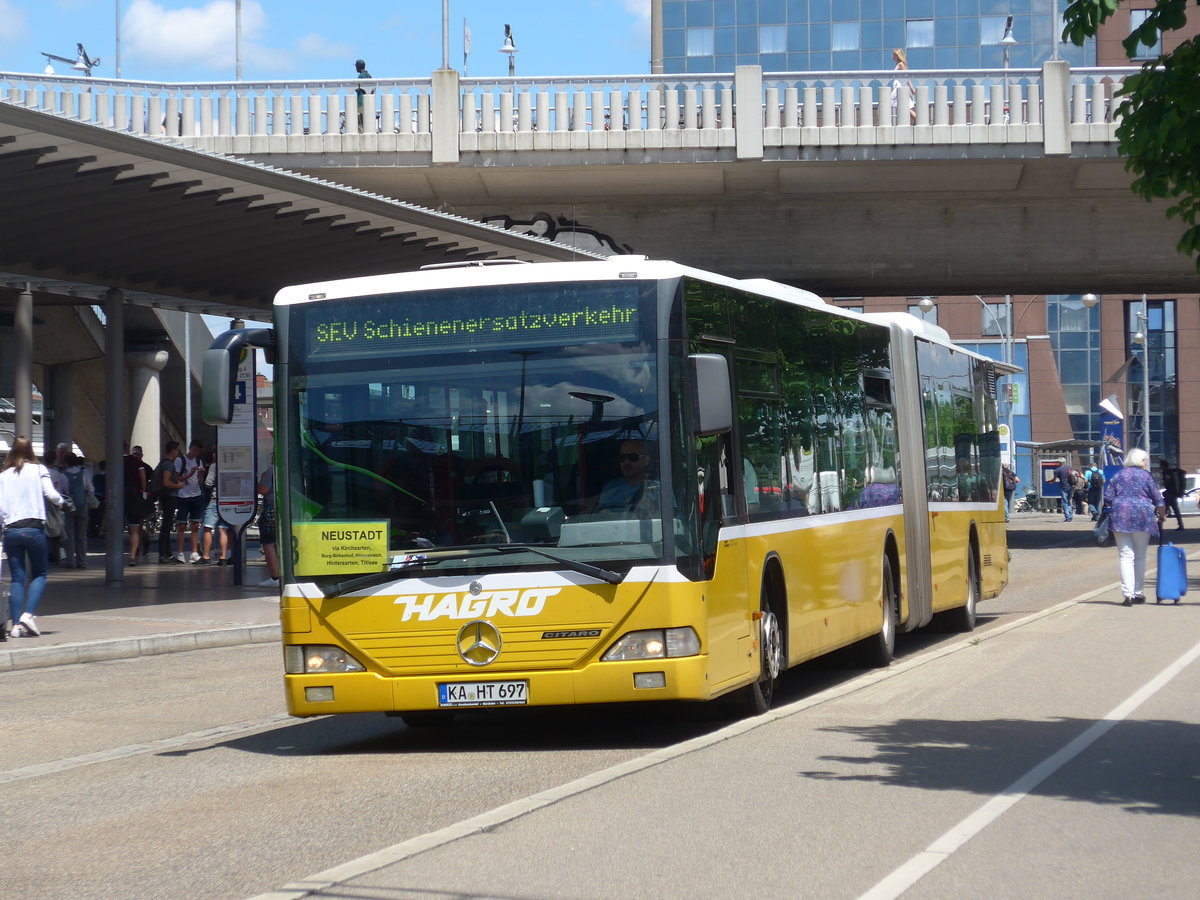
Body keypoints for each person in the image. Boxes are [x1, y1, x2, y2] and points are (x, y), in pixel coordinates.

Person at [0, 436, 66, 639]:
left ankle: (15, 626)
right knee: (40, 573)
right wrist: (63, 502)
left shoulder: (4, 475)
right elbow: (52, 495)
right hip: (34, 528)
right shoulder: (39, 469)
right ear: (31, 451)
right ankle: (28, 615)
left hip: (11, 529)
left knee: (17, 578)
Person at [1104, 447, 1166, 606]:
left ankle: (1128, 595)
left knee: (1125, 556)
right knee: (1140, 555)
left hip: (1120, 516)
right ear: (1142, 461)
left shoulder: (1118, 475)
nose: (1146, 463)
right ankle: (1138, 593)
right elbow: (1158, 498)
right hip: (1142, 516)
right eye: (1145, 460)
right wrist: (1161, 514)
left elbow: (1108, 497)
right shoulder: (1146, 476)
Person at [594, 438, 660, 517]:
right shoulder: (610, 488)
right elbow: (602, 518)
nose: (626, 462)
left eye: (632, 457)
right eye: (622, 458)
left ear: (646, 460)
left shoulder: (658, 489)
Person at [246, 460, 280, 589]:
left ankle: (275, 577)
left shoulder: (272, 469)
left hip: (271, 509)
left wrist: (259, 480)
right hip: (286, 509)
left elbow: (263, 489)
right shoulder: (291, 466)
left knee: (268, 543)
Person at [58, 452, 94, 568]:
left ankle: (70, 560)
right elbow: (90, 489)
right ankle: (82, 561)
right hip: (82, 506)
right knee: (81, 536)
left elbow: (59, 492)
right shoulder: (84, 474)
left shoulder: (62, 475)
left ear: (66, 462)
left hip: (69, 507)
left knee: (69, 535)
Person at [197, 450, 231, 565]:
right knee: (223, 529)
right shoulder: (230, 466)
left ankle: (206, 556)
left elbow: (208, 483)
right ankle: (223, 557)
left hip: (215, 500)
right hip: (227, 500)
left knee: (207, 527)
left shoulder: (214, 466)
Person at [174, 439, 206, 563]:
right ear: (190, 448)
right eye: (194, 450)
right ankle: (180, 553)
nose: (196, 453)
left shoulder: (199, 461)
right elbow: (177, 477)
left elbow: (200, 482)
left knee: (195, 525)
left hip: (196, 495)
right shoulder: (180, 460)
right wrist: (191, 473)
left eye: (198, 451)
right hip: (183, 496)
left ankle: (194, 552)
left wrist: (200, 474)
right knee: (181, 525)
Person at [154, 441, 186, 564]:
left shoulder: (165, 463)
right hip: (169, 497)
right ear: (173, 450)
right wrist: (178, 486)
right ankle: (163, 554)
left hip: (167, 496)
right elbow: (166, 482)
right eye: (177, 450)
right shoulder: (168, 464)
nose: (178, 452)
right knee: (166, 526)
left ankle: (167, 553)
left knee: (167, 526)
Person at [123, 443, 150, 565]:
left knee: (122, 527)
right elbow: (143, 477)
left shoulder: (115, 462)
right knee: (135, 528)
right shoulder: (138, 463)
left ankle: (130, 552)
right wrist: (144, 492)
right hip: (135, 496)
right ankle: (133, 556)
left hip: (120, 496)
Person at [890, 48, 916, 125]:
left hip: (900, 86)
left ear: (897, 56)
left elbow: (906, 76)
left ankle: (917, 119)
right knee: (903, 106)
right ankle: (916, 120)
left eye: (893, 54)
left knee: (900, 105)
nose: (892, 56)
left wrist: (911, 88)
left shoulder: (901, 64)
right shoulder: (898, 64)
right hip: (898, 86)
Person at [1160, 458, 1186, 531]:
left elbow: (1167, 478)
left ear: (1163, 466)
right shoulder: (1171, 471)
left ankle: (1159, 525)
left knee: (1164, 510)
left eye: (1160, 465)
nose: (1160, 467)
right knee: (1175, 510)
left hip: (1169, 494)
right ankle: (1181, 525)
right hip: (1173, 494)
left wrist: (1164, 483)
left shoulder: (1165, 472)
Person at [354, 58, 373, 128]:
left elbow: (357, 88)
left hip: (361, 102)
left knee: (360, 122)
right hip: (369, 102)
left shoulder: (361, 76)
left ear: (358, 67)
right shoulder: (369, 75)